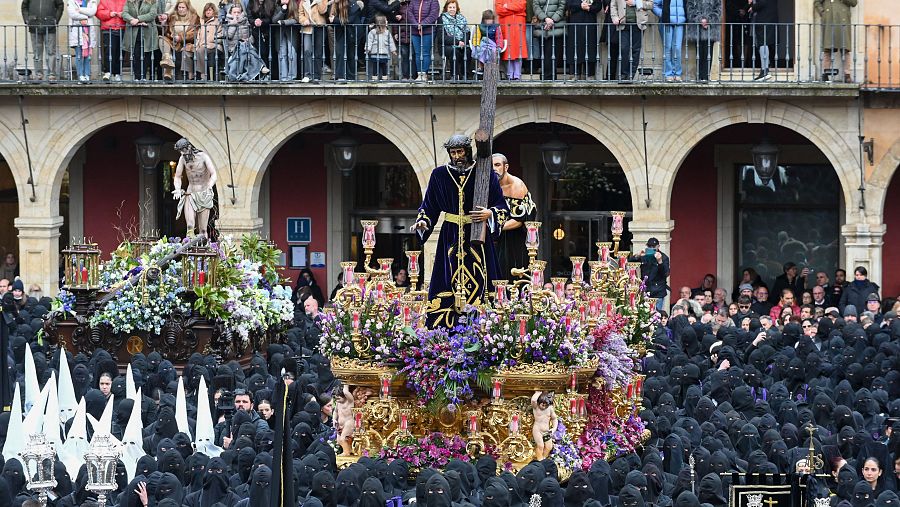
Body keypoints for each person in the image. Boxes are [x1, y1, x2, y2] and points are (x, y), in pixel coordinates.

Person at [411, 134, 509, 328]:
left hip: (478, 235)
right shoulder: (439, 175)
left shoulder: (484, 173)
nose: (457, 156)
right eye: (453, 153)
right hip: (450, 236)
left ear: (468, 151)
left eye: (460, 152)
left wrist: (490, 213)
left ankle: (485, 328)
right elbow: (429, 206)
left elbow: (502, 206)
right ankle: (443, 333)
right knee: (446, 281)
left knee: (483, 280)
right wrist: (423, 223)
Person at [493, 153, 536, 279]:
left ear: (506, 167)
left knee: (513, 276)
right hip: (494, 238)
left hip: (515, 239)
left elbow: (519, 220)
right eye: (491, 166)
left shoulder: (516, 185)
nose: (494, 169)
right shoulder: (489, 185)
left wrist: (495, 227)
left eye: (497, 165)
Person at [172, 138, 218, 238]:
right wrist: (178, 188)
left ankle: (204, 250)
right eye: (180, 151)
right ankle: (190, 249)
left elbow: (214, 174)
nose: (182, 153)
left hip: (204, 194)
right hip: (190, 194)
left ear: (189, 147)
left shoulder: (203, 157)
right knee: (190, 226)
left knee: (203, 230)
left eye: (183, 150)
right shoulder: (182, 159)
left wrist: (209, 186)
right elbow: (178, 176)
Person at [22, 0, 64, 81]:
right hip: (34, 25)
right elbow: (24, 6)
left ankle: (51, 74)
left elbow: (60, 5)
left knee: (51, 51)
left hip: (50, 25)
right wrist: (27, 19)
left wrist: (56, 20)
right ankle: (38, 74)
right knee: (37, 53)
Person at [610, 0, 652, 81]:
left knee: (636, 51)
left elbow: (651, 4)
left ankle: (630, 76)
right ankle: (623, 75)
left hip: (639, 24)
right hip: (623, 24)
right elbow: (613, 5)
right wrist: (614, 17)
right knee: (623, 49)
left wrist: (636, 3)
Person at [123, 0, 165, 81]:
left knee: (147, 54)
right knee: (136, 54)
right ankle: (137, 77)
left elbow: (152, 15)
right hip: (134, 32)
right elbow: (124, 13)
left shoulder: (152, 2)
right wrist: (132, 20)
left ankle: (143, 76)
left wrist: (138, 19)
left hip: (148, 31)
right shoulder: (129, 1)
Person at [814, 0, 855, 82]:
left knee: (845, 48)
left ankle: (847, 75)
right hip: (829, 20)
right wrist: (823, 12)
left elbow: (854, 3)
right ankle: (825, 73)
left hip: (843, 21)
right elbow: (817, 2)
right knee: (827, 49)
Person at [158, 0, 200, 81]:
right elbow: (166, 32)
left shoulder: (194, 17)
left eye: (183, 7)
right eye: (179, 7)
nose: (180, 9)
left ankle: (168, 72)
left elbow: (195, 33)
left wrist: (180, 37)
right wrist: (163, 24)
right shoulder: (173, 17)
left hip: (187, 43)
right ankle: (167, 59)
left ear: (188, 8)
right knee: (161, 39)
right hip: (173, 42)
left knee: (183, 53)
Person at [565, 0, 605, 80]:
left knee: (590, 49)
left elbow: (598, 6)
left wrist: (589, 8)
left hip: (590, 23)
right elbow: (568, 3)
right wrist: (580, 5)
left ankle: (590, 75)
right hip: (575, 23)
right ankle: (575, 74)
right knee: (575, 48)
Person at [632, 238, 669, 312]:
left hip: (658, 291)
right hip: (645, 290)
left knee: (656, 314)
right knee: (643, 313)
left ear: (658, 246)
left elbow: (665, 273)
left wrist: (660, 261)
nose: (651, 248)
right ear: (646, 246)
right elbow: (630, 263)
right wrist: (637, 256)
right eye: (649, 246)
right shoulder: (644, 256)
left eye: (653, 246)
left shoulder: (664, 257)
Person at [652, 0, 686, 82]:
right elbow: (654, 5)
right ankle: (668, 74)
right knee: (667, 48)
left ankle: (677, 73)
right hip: (666, 22)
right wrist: (663, 14)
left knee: (677, 48)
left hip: (680, 23)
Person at [685, 0, 720, 81]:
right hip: (697, 29)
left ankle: (706, 76)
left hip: (711, 29)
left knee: (708, 53)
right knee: (699, 53)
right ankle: (699, 76)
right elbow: (690, 8)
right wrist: (700, 20)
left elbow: (718, 9)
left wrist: (708, 20)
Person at [329, 0, 363, 81]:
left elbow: (349, 20)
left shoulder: (353, 5)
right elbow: (330, 19)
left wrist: (335, 20)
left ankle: (350, 77)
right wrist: (333, 20)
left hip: (352, 33)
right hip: (341, 32)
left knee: (351, 54)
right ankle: (341, 76)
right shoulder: (333, 5)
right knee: (340, 52)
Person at [532, 0, 565, 80]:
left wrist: (552, 20)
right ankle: (546, 78)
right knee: (545, 56)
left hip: (556, 27)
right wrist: (546, 18)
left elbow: (562, 6)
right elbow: (536, 6)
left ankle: (550, 78)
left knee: (553, 56)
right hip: (542, 27)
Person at [408, 0, 439, 81]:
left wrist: (422, 24)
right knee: (418, 53)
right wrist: (416, 25)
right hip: (415, 31)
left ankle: (424, 74)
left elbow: (433, 15)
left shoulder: (433, 1)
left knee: (425, 53)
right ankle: (419, 74)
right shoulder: (413, 1)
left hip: (428, 31)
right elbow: (409, 14)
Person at [495, 0, 527, 79]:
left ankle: (517, 75)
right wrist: (515, 11)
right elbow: (499, 10)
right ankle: (509, 74)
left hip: (518, 26)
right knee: (508, 50)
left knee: (518, 50)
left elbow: (522, 6)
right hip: (506, 26)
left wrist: (507, 6)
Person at [96, 0, 126, 82]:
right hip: (108, 29)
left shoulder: (125, 1)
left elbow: (130, 12)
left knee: (120, 52)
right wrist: (109, 14)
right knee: (109, 51)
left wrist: (123, 14)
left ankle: (117, 73)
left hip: (122, 28)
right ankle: (108, 72)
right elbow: (98, 13)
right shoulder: (104, 1)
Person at [439, 0, 469, 80]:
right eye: (450, 7)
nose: (452, 9)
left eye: (454, 7)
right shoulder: (441, 19)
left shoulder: (461, 18)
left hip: (461, 44)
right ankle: (454, 76)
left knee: (468, 50)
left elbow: (467, 32)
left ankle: (464, 75)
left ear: (457, 8)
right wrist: (457, 42)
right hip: (446, 45)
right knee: (454, 51)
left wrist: (463, 41)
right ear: (446, 8)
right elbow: (442, 37)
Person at [299, 0, 328, 82]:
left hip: (320, 27)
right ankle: (307, 75)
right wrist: (304, 20)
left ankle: (317, 75)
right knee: (307, 50)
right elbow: (300, 15)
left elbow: (323, 11)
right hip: (307, 28)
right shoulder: (303, 1)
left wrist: (319, 1)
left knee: (318, 52)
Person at [749, 0, 777, 81]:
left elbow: (762, 3)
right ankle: (765, 70)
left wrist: (753, 6)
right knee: (763, 44)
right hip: (768, 21)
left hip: (764, 22)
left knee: (762, 44)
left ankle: (765, 71)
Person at [273, 0, 300, 81]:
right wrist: (282, 11)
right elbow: (274, 20)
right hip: (280, 34)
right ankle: (283, 77)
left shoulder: (294, 5)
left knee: (291, 54)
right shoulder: (278, 7)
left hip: (291, 33)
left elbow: (296, 19)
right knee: (282, 54)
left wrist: (284, 22)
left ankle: (292, 76)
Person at [196, 2, 223, 80]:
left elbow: (221, 35)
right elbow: (199, 36)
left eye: (210, 10)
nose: (207, 12)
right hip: (203, 46)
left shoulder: (218, 21)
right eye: (206, 10)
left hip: (214, 46)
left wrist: (212, 40)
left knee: (201, 51)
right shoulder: (202, 22)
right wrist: (197, 45)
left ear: (214, 11)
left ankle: (203, 75)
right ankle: (192, 77)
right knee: (196, 51)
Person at [365, 14, 396, 80]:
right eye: (386, 21)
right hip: (375, 52)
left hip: (384, 52)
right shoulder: (373, 32)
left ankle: (384, 77)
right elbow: (369, 41)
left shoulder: (387, 32)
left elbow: (390, 41)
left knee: (384, 65)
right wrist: (368, 49)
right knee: (375, 65)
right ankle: (375, 77)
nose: (387, 22)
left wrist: (393, 50)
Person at [531, 391, 557, 460]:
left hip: (546, 431)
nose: (543, 406)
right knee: (540, 446)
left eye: (546, 405)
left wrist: (554, 428)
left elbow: (554, 419)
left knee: (549, 447)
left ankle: (543, 458)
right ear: (539, 401)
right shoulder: (536, 407)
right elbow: (533, 400)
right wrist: (539, 392)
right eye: (542, 404)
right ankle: (540, 460)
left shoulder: (550, 409)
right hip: (537, 430)